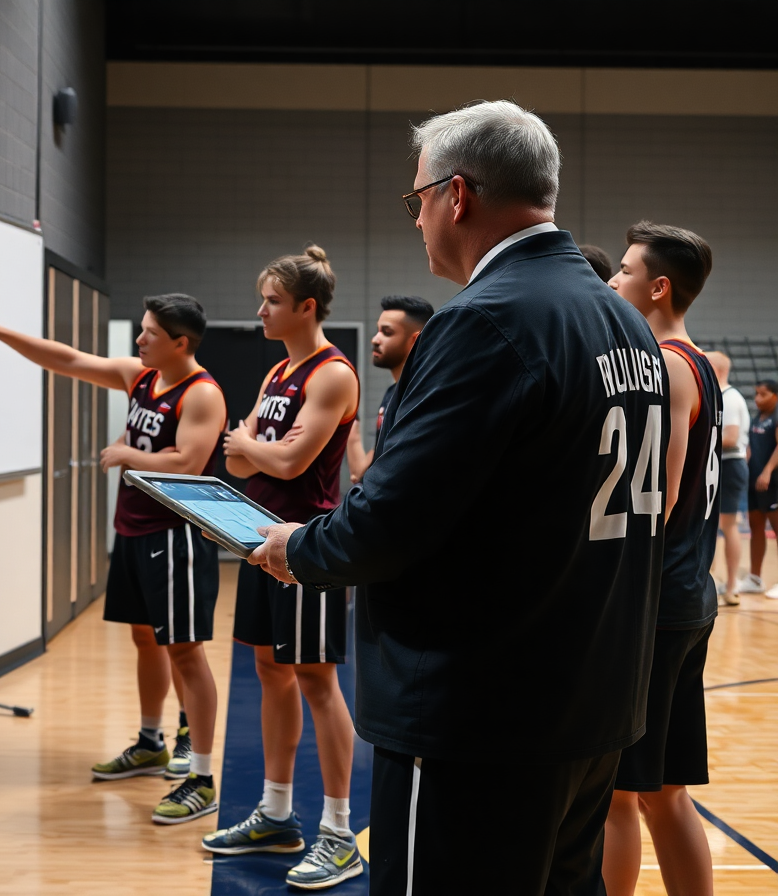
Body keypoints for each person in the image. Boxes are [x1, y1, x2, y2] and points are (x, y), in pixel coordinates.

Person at [247, 101, 667, 894]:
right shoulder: (625, 322)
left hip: (478, 717)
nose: (417, 220)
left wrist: (297, 547)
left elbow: (392, 517)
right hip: (593, 701)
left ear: (458, 195)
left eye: (417, 200)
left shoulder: (486, 319)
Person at [0, 292, 226, 824]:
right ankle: (150, 742)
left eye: (149, 333)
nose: (139, 339)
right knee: (145, 638)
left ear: (180, 343)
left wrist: (127, 453)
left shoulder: (202, 393)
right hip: (133, 529)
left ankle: (203, 776)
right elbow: (67, 359)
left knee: (185, 651)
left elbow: (188, 464)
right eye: (141, 329)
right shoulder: (141, 376)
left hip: (176, 533)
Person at [203, 245, 362, 891]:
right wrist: (257, 449)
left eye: (272, 301)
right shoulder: (277, 372)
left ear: (306, 306)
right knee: (270, 671)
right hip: (257, 540)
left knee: (317, 682)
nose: (260, 311)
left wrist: (255, 446)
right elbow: (237, 459)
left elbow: (291, 464)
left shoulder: (333, 374)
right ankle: (275, 814)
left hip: (306, 548)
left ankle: (339, 832)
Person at [603, 221, 719, 896]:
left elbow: (660, 496)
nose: (613, 279)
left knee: (619, 793)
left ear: (658, 287)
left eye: (624, 270)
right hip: (689, 594)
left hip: (658, 602)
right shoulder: (697, 359)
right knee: (665, 792)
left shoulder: (668, 364)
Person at [346, 295, 434, 482]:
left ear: (415, 340)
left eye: (387, 332)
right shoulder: (391, 395)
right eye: (378, 331)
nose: (375, 339)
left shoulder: (421, 398)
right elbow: (359, 474)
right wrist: (348, 417)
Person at [707, 351, 748, 605]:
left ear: (717, 369)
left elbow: (731, 438)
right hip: (722, 464)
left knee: (728, 525)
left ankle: (732, 585)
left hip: (729, 465)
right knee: (713, 524)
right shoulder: (722, 395)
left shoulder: (730, 398)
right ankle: (711, 581)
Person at [739, 378, 778, 598]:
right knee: (756, 528)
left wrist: (767, 471)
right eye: (756, 394)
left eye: (763, 394)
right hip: (755, 481)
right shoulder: (758, 417)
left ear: (775, 396)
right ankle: (754, 578)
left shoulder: (776, 416)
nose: (757, 398)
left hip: (772, 482)